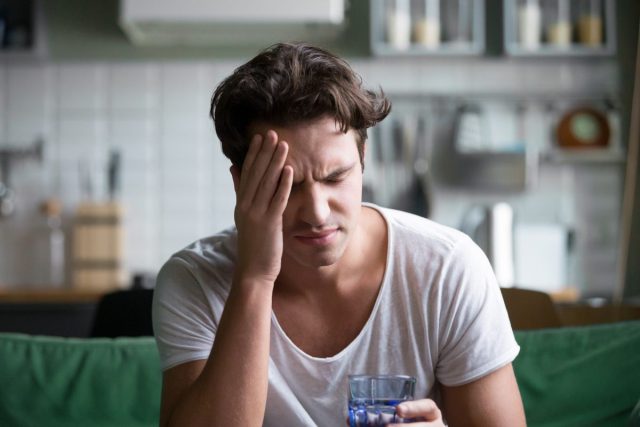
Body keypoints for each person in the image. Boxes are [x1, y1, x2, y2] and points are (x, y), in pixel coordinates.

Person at [152, 42, 526, 427]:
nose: (316, 212)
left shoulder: (448, 268)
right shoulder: (194, 280)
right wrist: (255, 276)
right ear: (241, 183)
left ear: (362, 159)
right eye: (288, 185)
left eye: (335, 177)